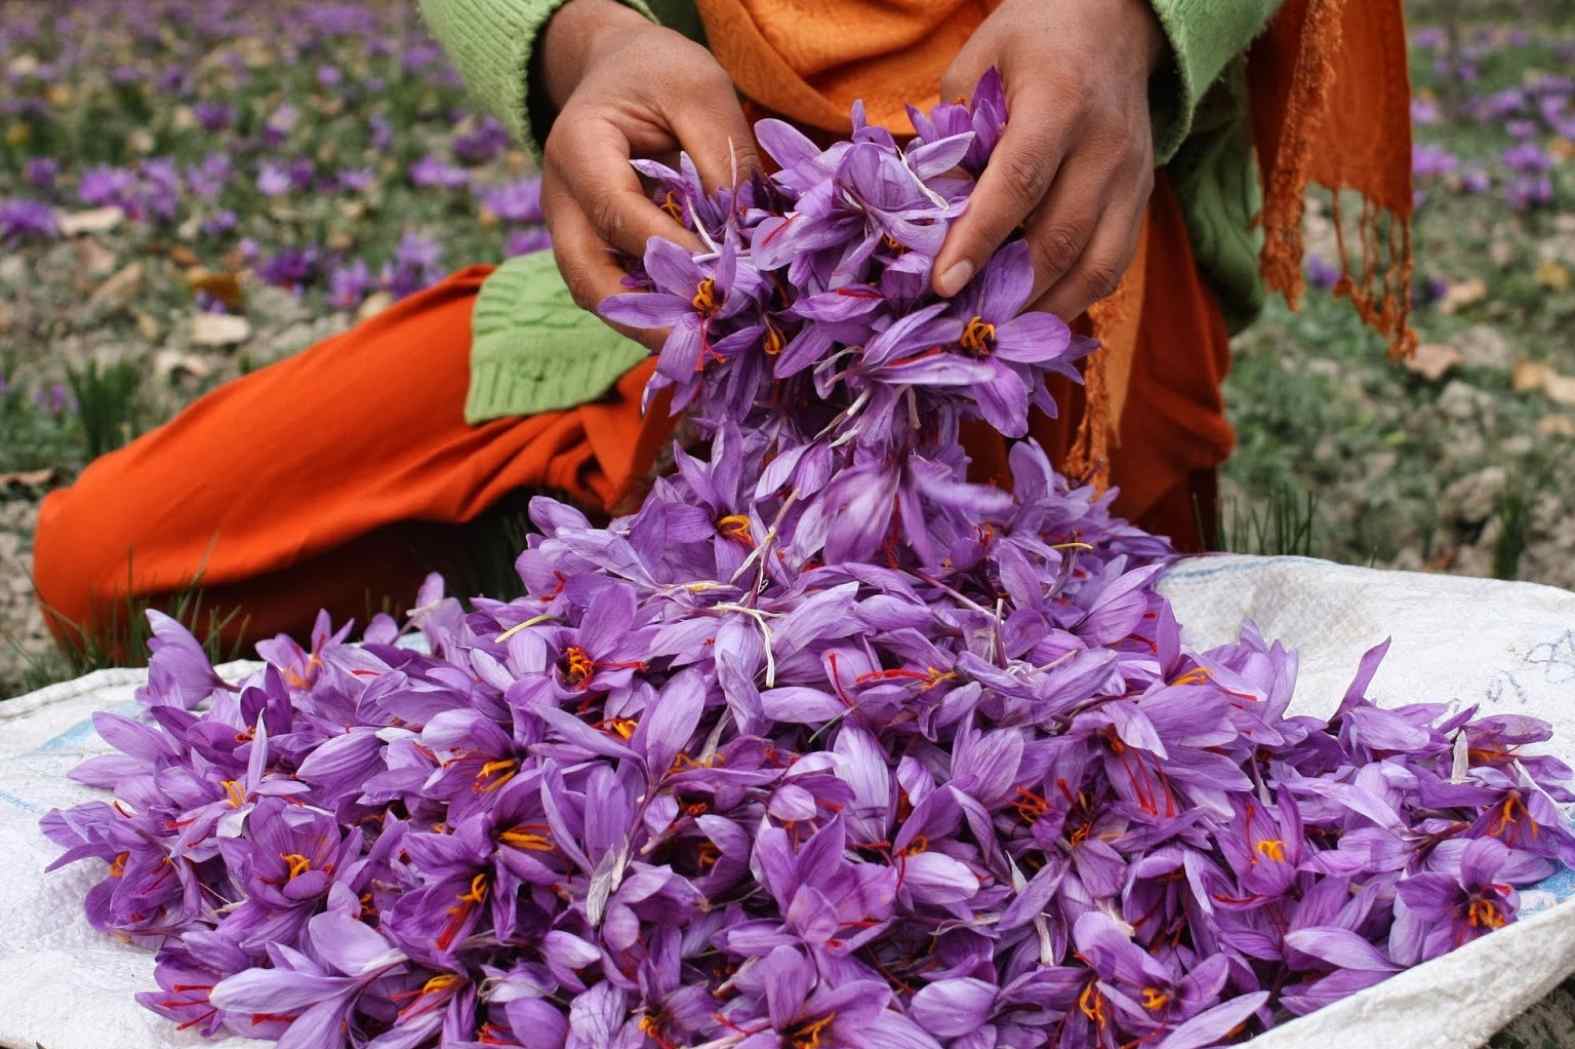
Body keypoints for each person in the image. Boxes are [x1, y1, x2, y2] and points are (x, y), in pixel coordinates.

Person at [32, 0, 1415, 656]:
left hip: (1033, 301)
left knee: (952, 696)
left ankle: (638, 570)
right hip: (714, 275)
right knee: (113, 557)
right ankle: (600, 540)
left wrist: (1126, 22)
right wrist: (587, 43)